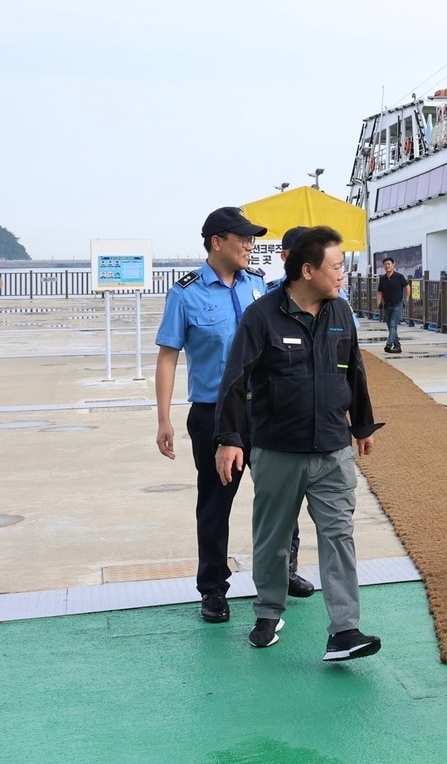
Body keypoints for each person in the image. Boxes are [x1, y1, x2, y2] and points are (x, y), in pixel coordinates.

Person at [214, 225, 382, 661]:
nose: (342, 275)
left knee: (339, 536)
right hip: (277, 449)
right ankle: (269, 612)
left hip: (332, 450)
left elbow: (355, 371)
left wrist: (361, 425)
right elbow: (235, 380)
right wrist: (230, 438)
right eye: (336, 267)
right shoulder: (262, 316)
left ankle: (344, 630)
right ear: (307, 270)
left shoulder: (341, 313)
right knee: (271, 539)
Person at [155, 206, 276, 623]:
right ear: (216, 242)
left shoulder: (258, 286)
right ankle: (212, 588)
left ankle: (282, 572)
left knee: (279, 493)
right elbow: (168, 357)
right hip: (213, 413)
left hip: (266, 409)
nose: (250, 245)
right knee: (214, 503)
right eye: (242, 238)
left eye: (252, 238)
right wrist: (164, 418)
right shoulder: (185, 294)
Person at [376, 257, 408, 354]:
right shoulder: (383, 279)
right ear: (383, 266)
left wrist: (406, 300)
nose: (387, 266)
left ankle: (389, 344)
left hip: (397, 305)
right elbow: (380, 292)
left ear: (393, 265)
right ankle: (397, 346)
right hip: (387, 306)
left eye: (389, 264)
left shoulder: (399, 277)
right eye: (385, 264)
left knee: (393, 325)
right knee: (390, 327)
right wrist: (379, 303)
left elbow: (407, 287)